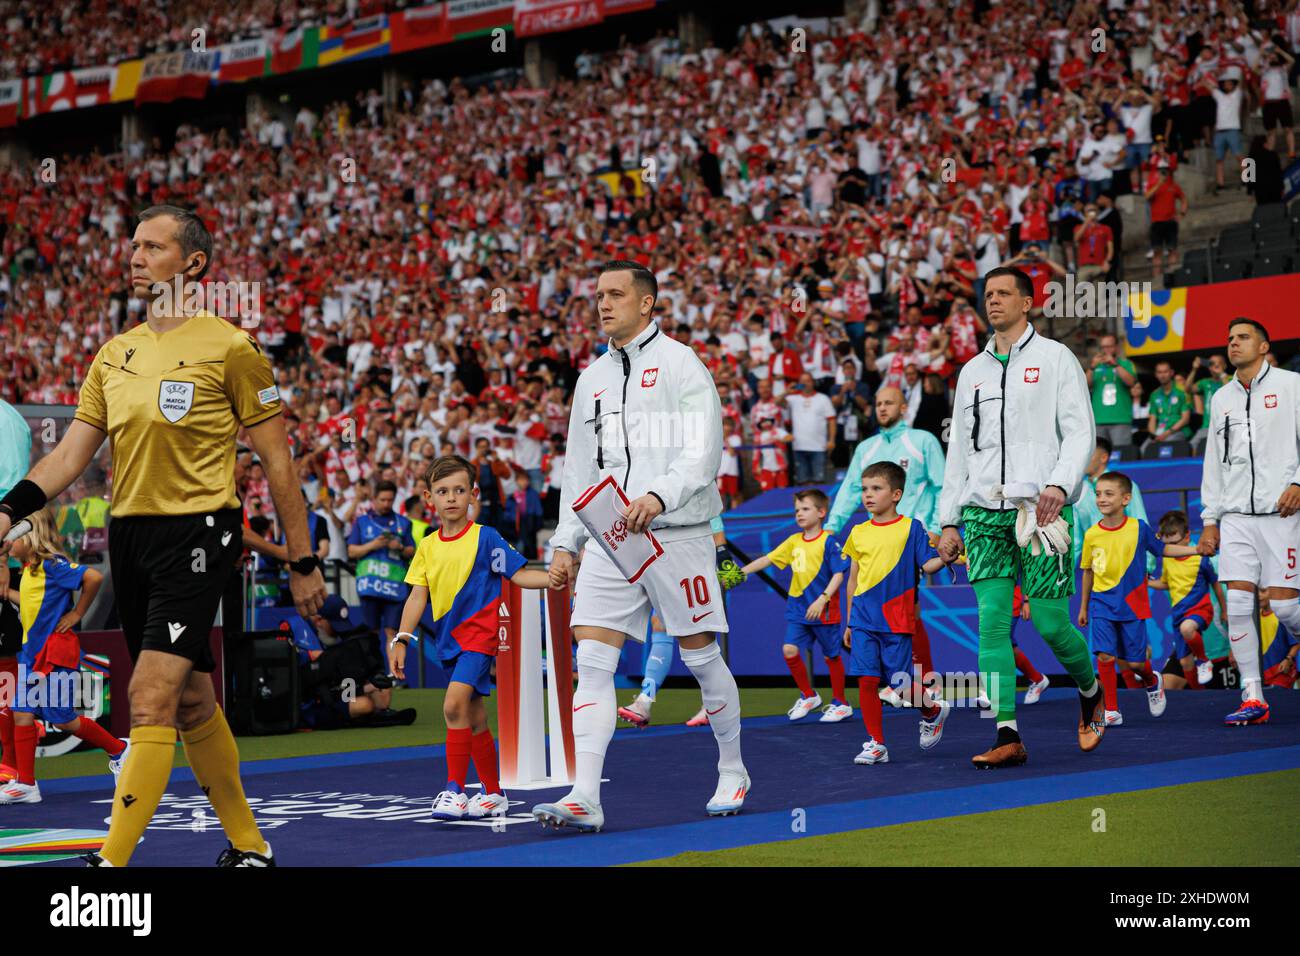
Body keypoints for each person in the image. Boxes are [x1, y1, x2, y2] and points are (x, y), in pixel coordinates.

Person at [0, 205, 327, 867]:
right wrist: (9, 509)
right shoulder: (113, 354)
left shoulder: (233, 348)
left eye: (152, 246)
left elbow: (278, 461)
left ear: (194, 263)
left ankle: (110, 862)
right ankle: (251, 847)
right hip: (130, 538)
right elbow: (68, 459)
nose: (136, 254)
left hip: (200, 535)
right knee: (190, 700)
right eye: (135, 244)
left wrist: (304, 558)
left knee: (147, 694)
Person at [535, 260, 748, 832]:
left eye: (616, 294)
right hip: (610, 540)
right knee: (593, 661)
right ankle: (585, 795)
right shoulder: (591, 379)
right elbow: (578, 468)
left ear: (647, 303)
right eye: (599, 295)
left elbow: (705, 451)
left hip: (676, 531)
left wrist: (659, 494)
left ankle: (732, 767)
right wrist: (566, 541)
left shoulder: (682, 364)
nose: (604, 304)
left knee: (701, 654)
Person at [937, 266, 1107, 769]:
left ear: (1028, 302)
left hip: (1043, 509)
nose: (993, 301)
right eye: (988, 294)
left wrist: (1060, 483)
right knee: (992, 622)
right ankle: (1007, 733)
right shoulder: (972, 371)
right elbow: (959, 452)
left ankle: (1091, 689)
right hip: (984, 511)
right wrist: (950, 518)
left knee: (1053, 625)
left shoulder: (1057, 358)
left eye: (1004, 293)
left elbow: (1080, 432)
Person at [388, 455, 557, 821]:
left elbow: (520, 574)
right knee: (475, 717)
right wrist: (401, 638)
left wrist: (553, 579)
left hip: (479, 641)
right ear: (428, 497)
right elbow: (417, 595)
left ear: (472, 494)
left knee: (452, 707)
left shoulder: (486, 537)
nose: (451, 497)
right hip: (448, 644)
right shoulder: (428, 546)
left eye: (459, 490)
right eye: (442, 491)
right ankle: (494, 793)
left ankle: (454, 790)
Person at [1197, 318, 1300, 726]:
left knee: (1286, 607)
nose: (1233, 344)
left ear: (1264, 346)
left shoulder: (1292, 385)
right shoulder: (1221, 397)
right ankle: (1253, 695)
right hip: (1236, 513)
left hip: (1283, 512)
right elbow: (1213, 461)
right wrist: (1210, 517)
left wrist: (1298, 481)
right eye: (1229, 339)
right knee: (1238, 604)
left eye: (1242, 338)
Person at [826, 385, 946, 682]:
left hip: (911, 537)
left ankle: (918, 681)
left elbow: (942, 485)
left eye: (889, 403)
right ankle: (915, 681)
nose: (882, 408)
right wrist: (831, 527)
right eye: (878, 403)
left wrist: (937, 527)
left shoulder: (923, 440)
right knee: (905, 611)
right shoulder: (867, 448)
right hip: (876, 542)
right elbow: (851, 489)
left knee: (906, 607)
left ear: (904, 408)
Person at [0, 508, 119, 804]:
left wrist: (78, 612)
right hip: (32, 653)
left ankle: (118, 749)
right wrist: (7, 594)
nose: (9, 542)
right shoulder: (29, 569)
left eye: (13, 535)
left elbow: (93, 577)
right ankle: (26, 784)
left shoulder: (53, 565)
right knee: (21, 711)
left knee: (63, 719)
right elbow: (31, 603)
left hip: (54, 652)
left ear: (30, 536)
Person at [841, 462, 952, 765]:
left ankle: (932, 710)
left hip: (897, 619)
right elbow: (853, 579)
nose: (868, 495)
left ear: (896, 494)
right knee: (866, 679)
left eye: (876, 488)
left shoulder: (911, 527)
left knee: (899, 685)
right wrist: (849, 621)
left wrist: (944, 556)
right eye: (864, 489)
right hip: (863, 619)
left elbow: (927, 565)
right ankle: (877, 743)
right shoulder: (857, 532)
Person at [1077, 473, 1197, 725]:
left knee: (1135, 664)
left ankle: (1153, 681)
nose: (1101, 499)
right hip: (1101, 604)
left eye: (1109, 494)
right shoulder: (1091, 535)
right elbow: (1088, 571)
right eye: (1098, 494)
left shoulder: (1139, 528)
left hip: (1132, 605)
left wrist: (1196, 549)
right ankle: (1111, 710)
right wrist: (1084, 606)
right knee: (1105, 657)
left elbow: (1164, 550)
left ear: (1126, 499)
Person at [737, 489, 851, 723]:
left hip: (825, 610)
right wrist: (740, 573)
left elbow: (839, 575)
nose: (799, 513)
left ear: (821, 512)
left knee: (831, 657)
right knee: (789, 650)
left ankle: (841, 703)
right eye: (797, 510)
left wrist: (823, 598)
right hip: (798, 609)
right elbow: (767, 559)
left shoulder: (829, 542)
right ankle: (808, 696)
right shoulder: (793, 541)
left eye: (805, 509)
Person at [1150, 510, 1227, 691]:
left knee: (1188, 628)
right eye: (1166, 545)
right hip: (1179, 613)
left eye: (1174, 543)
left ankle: (1203, 660)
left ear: (1187, 537)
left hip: (1200, 610)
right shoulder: (1168, 560)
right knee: (1185, 662)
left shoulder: (1200, 558)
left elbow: (1215, 584)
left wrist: (1224, 609)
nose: (1170, 549)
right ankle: (1197, 696)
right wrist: (1148, 581)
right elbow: (1166, 583)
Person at [346, 479, 416, 661]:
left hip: (394, 586)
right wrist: (373, 545)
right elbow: (352, 551)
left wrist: (399, 547)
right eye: (382, 500)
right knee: (372, 632)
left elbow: (412, 551)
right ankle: (374, 673)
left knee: (392, 632)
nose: (386, 504)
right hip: (370, 585)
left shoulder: (403, 523)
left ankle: (394, 675)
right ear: (374, 499)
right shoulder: (361, 522)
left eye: (390, 500)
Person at [0, 397, 32, 783]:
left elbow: (9, 494)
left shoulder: (5, 421)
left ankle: (10, 764)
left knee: (5, 667)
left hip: (6, 559)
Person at [1087, 334, 1138, 448]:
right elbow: (1084, 386)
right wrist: (1091, 367)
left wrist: (1115, 365)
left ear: (1116, 347)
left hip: (1120, 419)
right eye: (1103, 347)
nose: (1106, 350)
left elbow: (1131, 382)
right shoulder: (1096, 366)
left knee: (1121, 454)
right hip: (1099, 419)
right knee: (1099, 457)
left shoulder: (1126, 364)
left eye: (1109, 346)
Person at [787, 373, 836, 484]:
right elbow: (775, 403)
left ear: (813, 382)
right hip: (799, 447)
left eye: (808, 381)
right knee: (802, 483)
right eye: (802, 381)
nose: (805, 383)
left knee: (819, 482)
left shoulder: (823, 399)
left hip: (819, 447)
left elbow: (832, 420)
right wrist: (787, 391)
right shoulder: (792, 399)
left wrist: (832, 440)